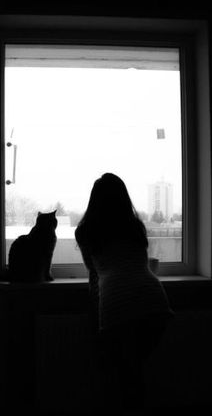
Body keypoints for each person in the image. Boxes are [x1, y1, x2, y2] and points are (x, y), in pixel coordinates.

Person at [75, 173, 174, 412]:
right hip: (154, 301)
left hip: (117, 304)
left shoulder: (86, 231)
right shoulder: (136, 227)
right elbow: (138, 262)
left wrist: (95, 320)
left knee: (119, 376)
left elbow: (95, 276)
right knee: (133, 373)